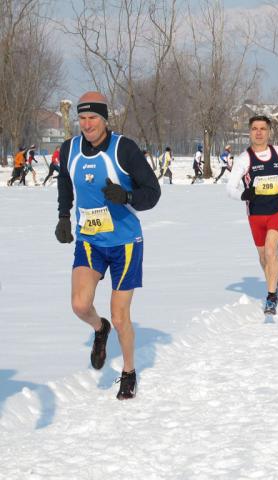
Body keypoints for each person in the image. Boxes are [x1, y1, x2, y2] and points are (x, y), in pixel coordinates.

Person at [54, 91, 161, 400]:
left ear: (104, 119)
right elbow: (65, 179)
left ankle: (128, 371)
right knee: (79, 304)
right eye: (82, 118)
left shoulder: (123, 149)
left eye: (93, 118)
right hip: (89, 241)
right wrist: (63, 216)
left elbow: (152, 193)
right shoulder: (70, 149)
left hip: (125, 243)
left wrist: (127, 197)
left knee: (120, 316)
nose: (87, 124)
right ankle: (99, 329)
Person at [226, 115, 278, 315]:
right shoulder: (244, 159)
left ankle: (271, 297)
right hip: (256, 213)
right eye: (255, 129)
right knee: (263, 256)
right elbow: (230, 188)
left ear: (269, 132)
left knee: (270, 250)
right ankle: (273, 278)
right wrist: (243, 194)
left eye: (263, 129)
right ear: (249, 132)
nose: (259, 132)